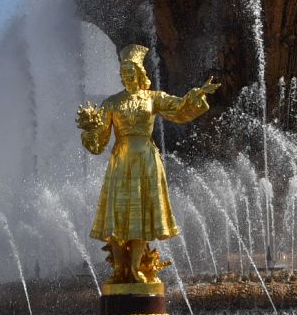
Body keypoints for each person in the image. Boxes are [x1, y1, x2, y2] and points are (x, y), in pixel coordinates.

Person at [77, 46, 219, 284]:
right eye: (124, 71)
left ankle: (134, 268)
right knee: (120, 213)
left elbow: (179, 108)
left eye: (131, 70)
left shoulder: (153, 98)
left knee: (140, 214)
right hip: (121, 161)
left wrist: (198, 95)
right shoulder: (112, 103)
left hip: (146, 159)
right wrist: (90, 130)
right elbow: (99, 143)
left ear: (140, 72)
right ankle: (120, 268)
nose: (127, 75)